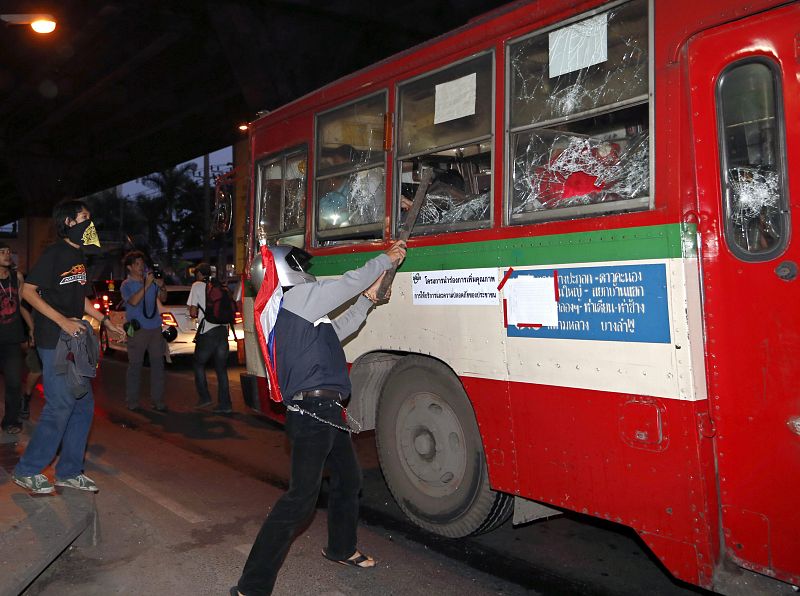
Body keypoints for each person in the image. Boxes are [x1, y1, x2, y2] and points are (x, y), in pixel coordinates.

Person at [232, 240, 406, 596]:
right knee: (298, 502)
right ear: (281, 270)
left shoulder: (297, 312)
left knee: (348, 480)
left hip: (325, 412)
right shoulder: (294, 301)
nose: (306, 271)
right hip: (313, 413)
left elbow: (338, 332)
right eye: (299, 264)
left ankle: (340, 548)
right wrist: (384, 260)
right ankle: (251, 587)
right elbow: (346, 282)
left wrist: (367, 301)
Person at [13, 199, 124, 495]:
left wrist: (104, 320)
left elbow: (81, 299)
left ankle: (69, 471)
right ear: (69, 224)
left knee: (83, 405)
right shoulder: (54, 253)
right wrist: (62, 321)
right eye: (84, 217)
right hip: (54, 337)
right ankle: (27, 470)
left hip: (77, 335)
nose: (90, 223)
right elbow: (27, 290)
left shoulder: (79, 258)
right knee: (60, 404)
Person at [120, 250, 168, 412]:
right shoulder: (126, 285)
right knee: (135, 366)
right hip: (137, 329)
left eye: (142, 264)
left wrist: (162, 287)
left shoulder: (151, 281)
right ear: (129, 267)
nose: (141, 267)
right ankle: (132, 401)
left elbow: (163, 299)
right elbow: (133, 301)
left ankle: (157, 400)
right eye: (137, 264)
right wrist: (146, 285)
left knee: (158, 365)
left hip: (155, 327)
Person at [188, 263, 233, 413]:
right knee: (221, 369)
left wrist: (194, 310)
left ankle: (205, 397)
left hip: (208, 331)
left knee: (198, 364)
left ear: (199, 274)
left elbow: (193, 312)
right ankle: (225, 405)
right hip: (223, 330)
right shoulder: (218, 285)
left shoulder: (197, 285)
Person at [0, 242, 34, 434]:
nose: (7, 255)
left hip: (12, 340)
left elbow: (19, 305)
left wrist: (31, 328)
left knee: (13, 382)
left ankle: (10, 421)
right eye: (2, 252)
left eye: (8, 252)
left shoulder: (17, 277)